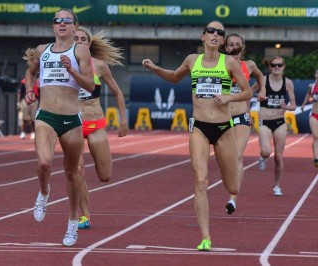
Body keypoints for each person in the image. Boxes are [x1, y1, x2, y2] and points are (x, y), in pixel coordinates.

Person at [142, 21, 252, 251]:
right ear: (203, 37)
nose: (214, 34)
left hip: (223, 128)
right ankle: (205, 237)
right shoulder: (192, 60)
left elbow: (247, 91)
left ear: (222, 41)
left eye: (219, 33)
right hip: (199, 127)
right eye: (210, 31)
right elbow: (173, 77)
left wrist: (229, 98)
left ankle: (229, 183)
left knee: (233, 185)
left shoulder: (229, 62)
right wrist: (154, 68)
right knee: (200, 180)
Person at [24, 8, 94, 247]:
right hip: (46, 116)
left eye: (67, 21)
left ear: (75, 27)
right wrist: (29, 91)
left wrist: (71, 69)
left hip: (71, 119)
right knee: (44, 163)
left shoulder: (80, 50)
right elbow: (30, 72)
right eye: (58, 21)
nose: (62, 24)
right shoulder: (42, 51)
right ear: (53, 26)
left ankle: (72, 222)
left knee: (72, 174)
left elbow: (91, 86)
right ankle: (44, 192)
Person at [73, 26, 129, 229]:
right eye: (75, 38)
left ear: (88, 44)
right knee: (77, 170)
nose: (78, 41)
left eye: (82, 39)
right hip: (73, 125)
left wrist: (123, 120)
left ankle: (84, 213)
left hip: (95, 124)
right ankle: (84, 216)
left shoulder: (99, 65)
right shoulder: (61, 66)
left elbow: (118, 93)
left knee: (105, 175)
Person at [222, 33, 265, 215]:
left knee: (237, 156)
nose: (234, 47)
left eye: (237, 44)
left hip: (241, 116)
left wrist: (259, 90)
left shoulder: (249, 65)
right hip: (221, 117)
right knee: (226, 159)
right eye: (230, 44)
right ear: (225, 47)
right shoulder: (218, 65)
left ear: (243, 46)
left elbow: (260, 76)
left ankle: (233, 198)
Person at [252, 56, 296, 196]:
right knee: (266, 151)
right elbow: (248, 92)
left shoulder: (288, 83)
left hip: (279, 122)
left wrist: (286, 107)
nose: (276, 67)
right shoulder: (263, 80)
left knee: (278, 157)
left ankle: (277, 186)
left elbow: (294, 105)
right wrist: (258, 96)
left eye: (279, 65)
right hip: (264, 121)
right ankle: (262, 156)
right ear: (270, 67)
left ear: (283, 66)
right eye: (274, 65)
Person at [300, 68, 318, 167]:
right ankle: (316, 158)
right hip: (314, 115)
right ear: (315, 75)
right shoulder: (311, 86)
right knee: (316, 136)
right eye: (317, 73)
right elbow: (308, 94)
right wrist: (303, 104)